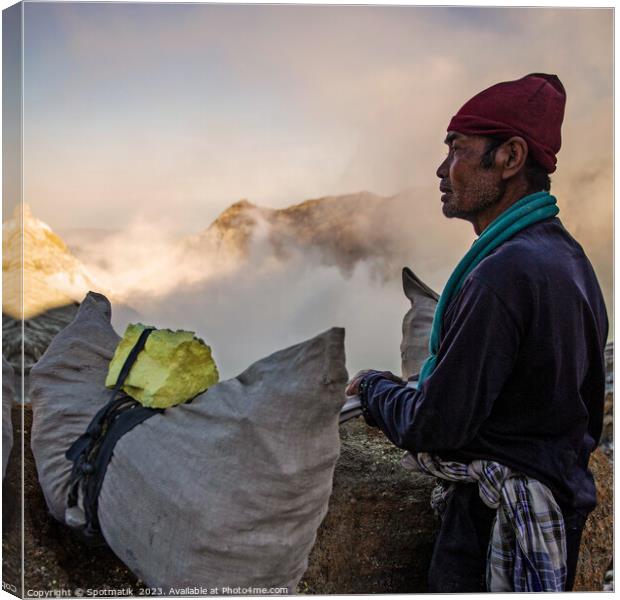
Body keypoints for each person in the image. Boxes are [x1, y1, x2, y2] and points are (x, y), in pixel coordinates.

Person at [345, 73, 608, 593]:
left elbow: (435, 425)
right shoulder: (569, 259)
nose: (443, 170)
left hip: (491, 532)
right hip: (557, 506)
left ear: (510, 158)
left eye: (457, 150)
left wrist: (375, 389)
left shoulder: (503, 275)